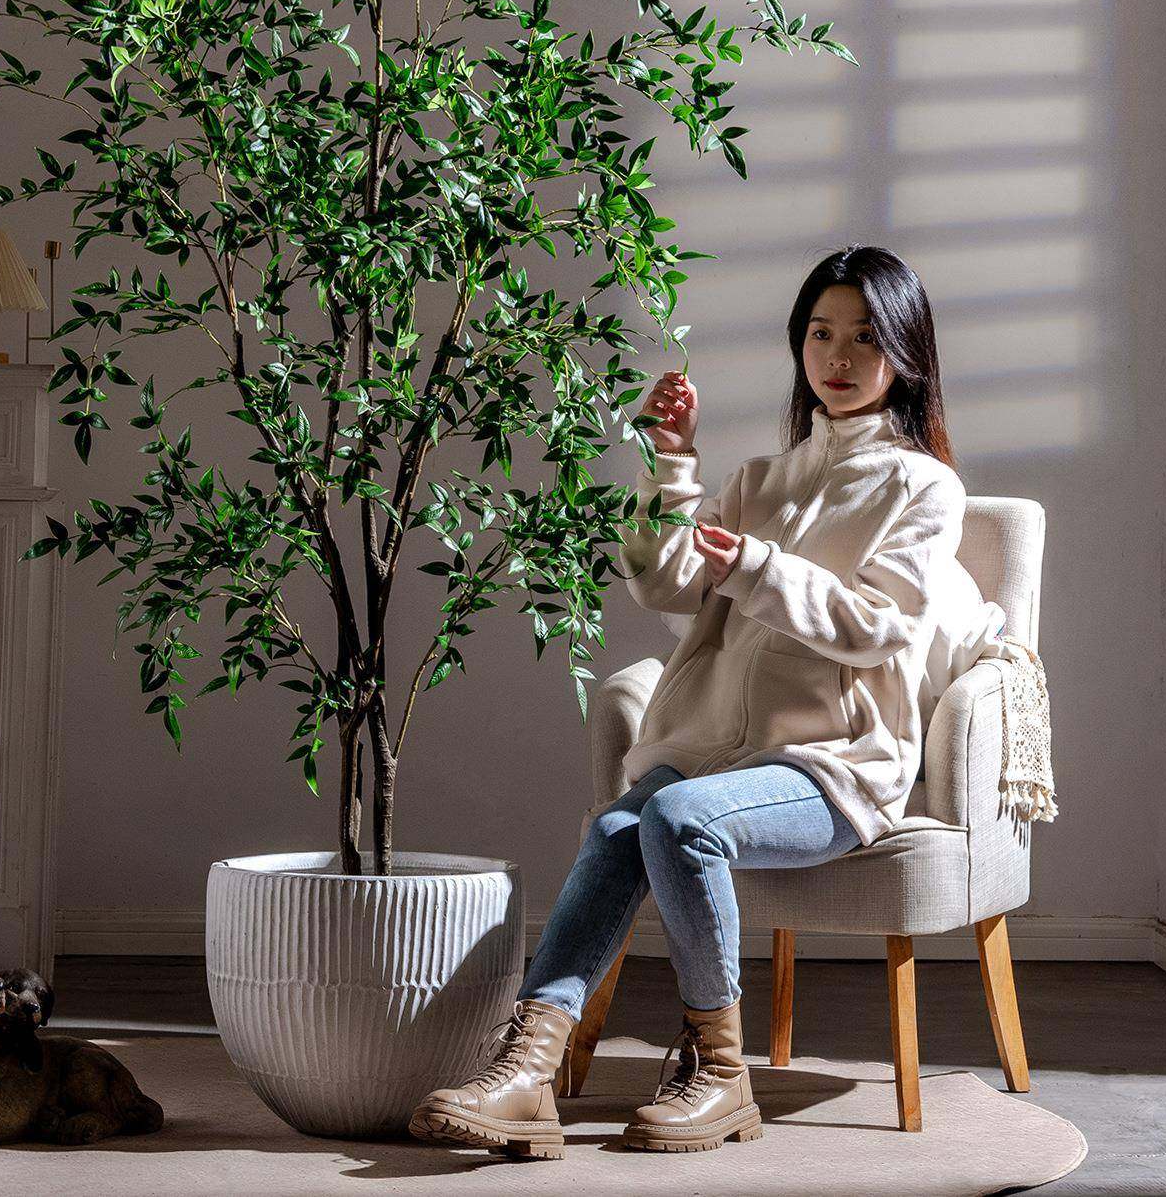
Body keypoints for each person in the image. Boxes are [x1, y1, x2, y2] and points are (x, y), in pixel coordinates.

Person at [408, 244, 1005, 1159]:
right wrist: (669, 467)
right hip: (721, 757)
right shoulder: (762, 480)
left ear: (906, 354)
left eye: (863, 337)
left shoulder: (922, 486)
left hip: (835, 768)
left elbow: (880, 626)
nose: (837, 358)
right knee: (618, 827)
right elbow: (664, 585)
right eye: (819, 334)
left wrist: (757, 566)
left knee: (678, 818)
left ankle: (719, 1076)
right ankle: (528, 1069)